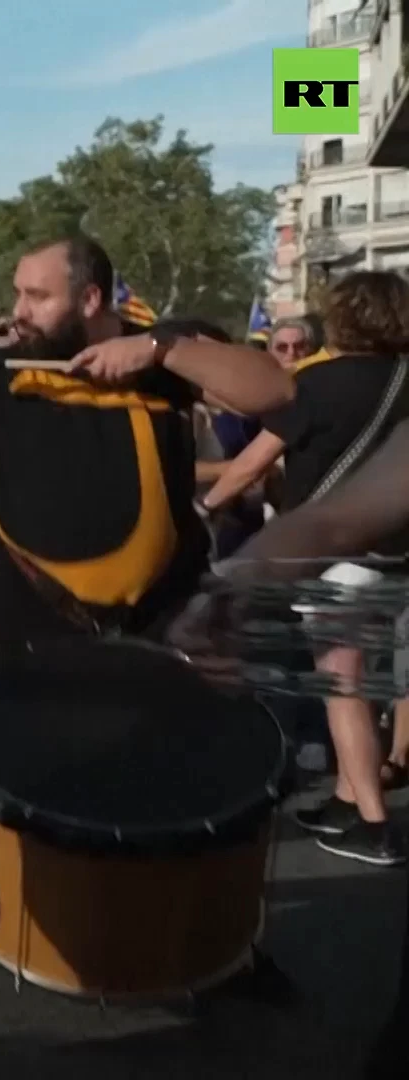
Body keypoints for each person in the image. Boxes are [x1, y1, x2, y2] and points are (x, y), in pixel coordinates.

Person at [0, 234, 295, 973]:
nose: (17, 311)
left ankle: (224, 936)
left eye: (37, 295)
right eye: (18, 293)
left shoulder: (164, 363)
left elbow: (277, 394)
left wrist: (160, 348)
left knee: (200, 761)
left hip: (163, 604)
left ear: (91, 298)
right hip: (27, 606)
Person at [200, 273, 409, 866]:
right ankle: (346, 800)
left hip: (334, 558)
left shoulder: (317, 382)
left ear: (343, 319)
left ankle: (373, 823)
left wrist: (204, 508)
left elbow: (251, 464)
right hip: (395, 554)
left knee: (341, 686)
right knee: (360, 680)